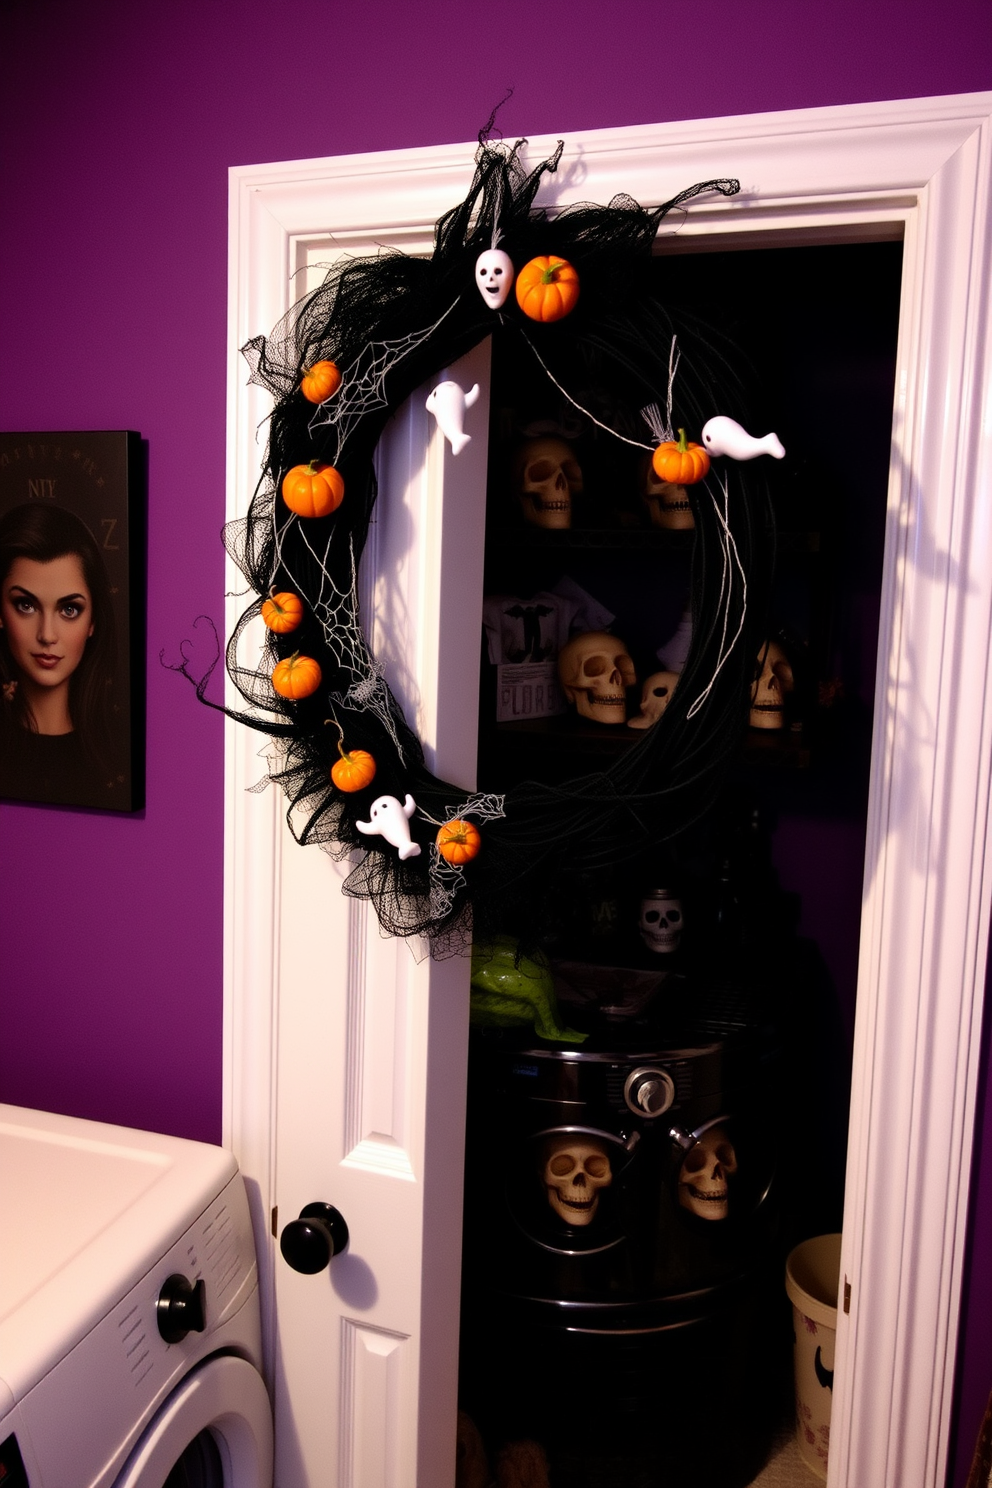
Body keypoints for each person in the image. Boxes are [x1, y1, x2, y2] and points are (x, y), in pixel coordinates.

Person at [0, 502, 120, 808]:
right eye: (26, 605)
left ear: (93, 621)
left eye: (69, 609)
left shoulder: (113, 760)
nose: (47, 635)